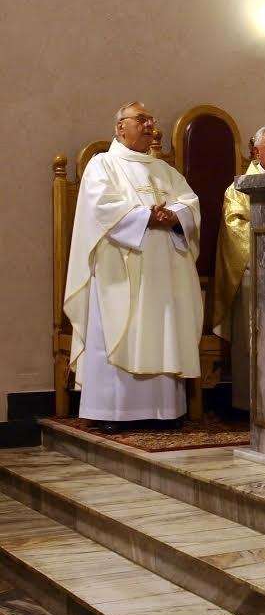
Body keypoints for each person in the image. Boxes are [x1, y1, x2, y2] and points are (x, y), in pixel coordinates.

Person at [64, 101, 202, 431]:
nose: (150, 125)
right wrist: (145, 216)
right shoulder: (103, 165)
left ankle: (164, 410)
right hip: (119, 268)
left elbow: (190, 204)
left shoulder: (165, 170)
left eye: (151, 119)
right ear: (120, 127)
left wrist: (174, 216)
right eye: (141, 119)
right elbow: (101, 207)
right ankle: (112, 412)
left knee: (163, 328)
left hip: (164, 270)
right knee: (119, 327)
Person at [213, 124, 265, 410]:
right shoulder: (239, 188)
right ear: (256, 152)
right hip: (255, 271)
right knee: (256, 340)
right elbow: (235, 228)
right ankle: (252, 404)